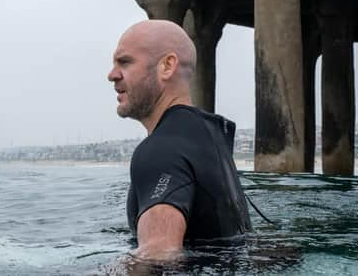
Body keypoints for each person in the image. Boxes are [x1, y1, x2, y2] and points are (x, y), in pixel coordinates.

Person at [107, 20, 252, 260]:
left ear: (167, 66)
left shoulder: (160, 150)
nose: (112, 75)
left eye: (125, 62)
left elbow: (158, 259)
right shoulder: (205, 136)